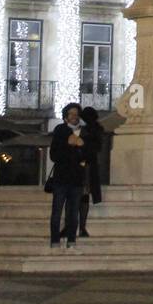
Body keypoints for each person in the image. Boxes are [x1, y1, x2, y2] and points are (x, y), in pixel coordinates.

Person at [49, 103, 87, 250]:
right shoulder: (60, 130)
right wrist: (69, 144)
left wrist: (81, 147)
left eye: (76, 114)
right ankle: (55, 240)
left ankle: (71, 240)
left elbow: (87, 154)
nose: (74, 116)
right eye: (71, 114)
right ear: (66, 116)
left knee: (73, 212)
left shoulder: (83, 132)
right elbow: (54, 154)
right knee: (57, 211)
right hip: (61, 178)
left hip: (77, 179)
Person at [77, 106, 104, 239]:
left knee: (82, 196)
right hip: (87, 166)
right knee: (83, 196)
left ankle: (81, 227)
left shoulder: (88, 131)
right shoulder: (95, 130)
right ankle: (81, 227)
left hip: (84, 166)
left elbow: (92, 148)